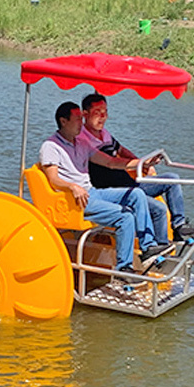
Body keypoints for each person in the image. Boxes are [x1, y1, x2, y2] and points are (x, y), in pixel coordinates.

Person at [39, 102, 168, 274]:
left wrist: (143, 163)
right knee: (126, 216)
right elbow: (53, 179)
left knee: (136, 194)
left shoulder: (81, 143)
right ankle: (124, 268)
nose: (81, 123)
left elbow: (111, 162)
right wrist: (73, 187)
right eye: (77, 119)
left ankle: (148, 246)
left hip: (92, 193)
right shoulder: (51, 146)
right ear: (63, 121)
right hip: (75, 199)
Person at [77, 93, 194, 245]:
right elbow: (111, 162)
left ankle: (179, 225)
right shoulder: (82, 140)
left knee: (172, 178)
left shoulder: (104, 133)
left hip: (128, 182)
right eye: (97, 113)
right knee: (158, 209)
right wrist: (139, 164)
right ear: (85, 114)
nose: (103, 117)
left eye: (105, 112)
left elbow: (122, 150)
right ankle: (161, 248)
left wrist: (143, 165)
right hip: (113, 191)